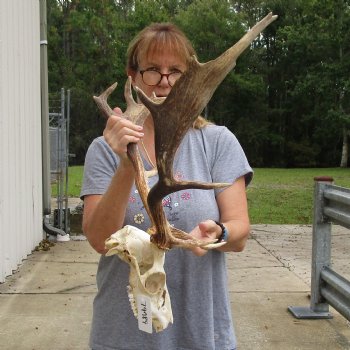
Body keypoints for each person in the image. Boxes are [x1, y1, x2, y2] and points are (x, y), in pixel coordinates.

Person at [81, 22, 253, 350]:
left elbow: (240, 231)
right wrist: (125, 163)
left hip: (200, 331)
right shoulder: (103, 149)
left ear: (190, 77)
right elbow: (100, 241)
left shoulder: (217, 142)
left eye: (176, 71)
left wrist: (219, 233)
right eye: (152, 70)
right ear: (132, 75)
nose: (164, 81)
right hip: (124, 334)